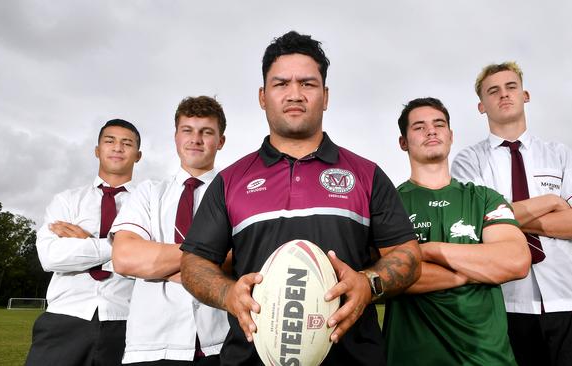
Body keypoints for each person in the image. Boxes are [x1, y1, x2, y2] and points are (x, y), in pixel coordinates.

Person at [179, 31, 422, 366]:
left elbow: (407, 255)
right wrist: (227, 294)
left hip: (353, 357)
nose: (295, 94)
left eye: (308, 84)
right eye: (281, 84)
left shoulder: (366, 175)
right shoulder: (231, 181)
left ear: (325, 96)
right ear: (263, 96)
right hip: (250, 358)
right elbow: (193, 263)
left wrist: (369, 284)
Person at [451, 62, 572, 366]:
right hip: (505, 305)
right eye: (493, 91)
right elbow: (475, 222)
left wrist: (507, 218)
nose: (504, 95)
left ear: (525, 95)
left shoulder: (560, 154)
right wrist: (550, 201)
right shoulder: (468, 161)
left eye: (511, 87)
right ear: (481, 106)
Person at [382, 97, 530, 365]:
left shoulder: (486, 198)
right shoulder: (387, 203)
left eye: (439, 124)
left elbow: (516, 262)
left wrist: (427, 250)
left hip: (488, 357)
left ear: (450, 135)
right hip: (413, 357)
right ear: (403, 142)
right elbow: (391, 277)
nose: (431, 130)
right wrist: (477, 270)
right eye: (419, 127)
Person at [110, 96, 229, 366]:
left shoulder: (234, 193)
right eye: (187, 130)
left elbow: (242, 259)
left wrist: (159, 261)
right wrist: (207, 261)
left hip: (220, 341)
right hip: (153, 344)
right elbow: (125, 257)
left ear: (220, 141)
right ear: (176, 136)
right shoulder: (149, 192)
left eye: (206, 132)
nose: (196, 139)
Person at [26, 119, 142, 366]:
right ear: (97, 150)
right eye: (109, 141)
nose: (117, 148)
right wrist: (120, 248)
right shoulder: (66, 201)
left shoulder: (149, 204)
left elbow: (151, 264)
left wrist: (85, 242)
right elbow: (51, 257)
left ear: (138, 155)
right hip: (64, 318)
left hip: (127, 321)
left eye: (127, 143)